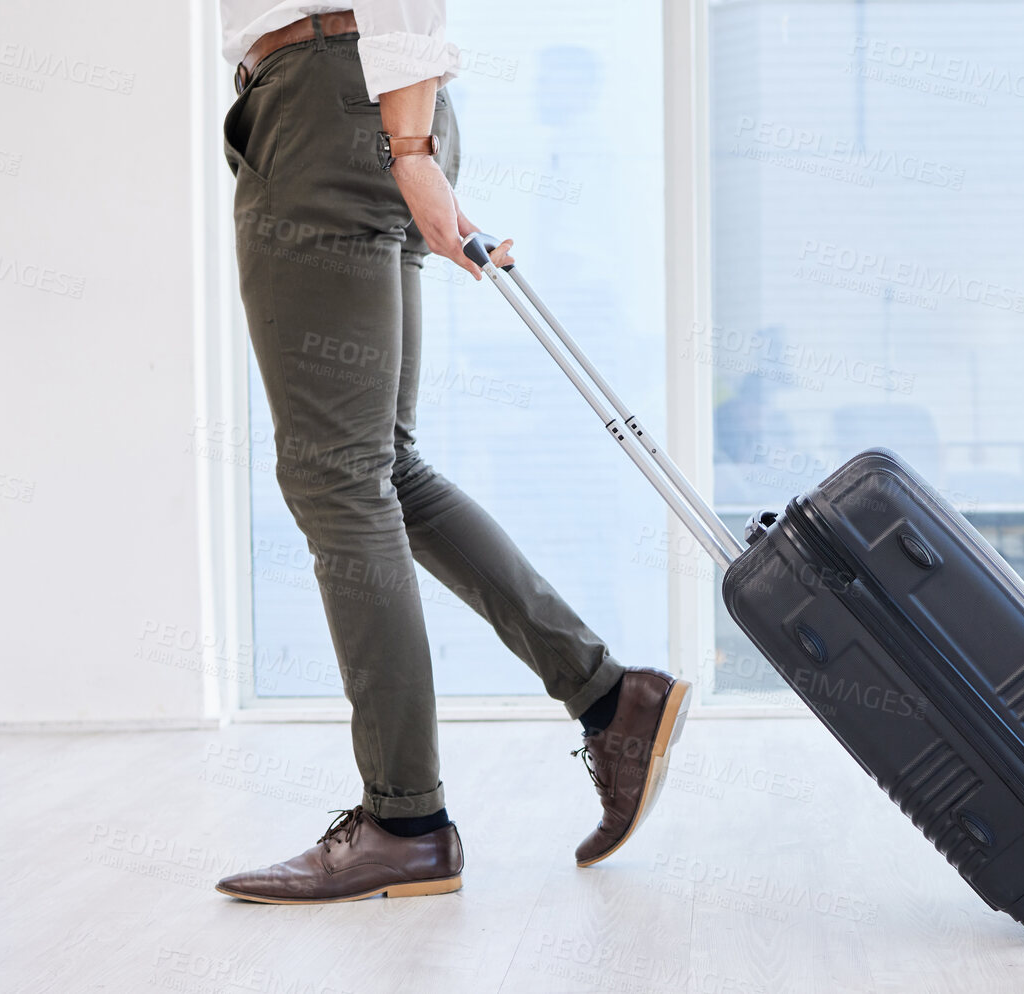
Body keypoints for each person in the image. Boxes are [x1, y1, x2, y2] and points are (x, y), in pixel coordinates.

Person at [211, 2, 689, 904]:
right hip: (368, 104)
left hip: (331, 105)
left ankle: (403, 822)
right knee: (380, 468)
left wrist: (411, 150)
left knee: (338, 479)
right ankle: (606, 698)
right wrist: (408, 142)